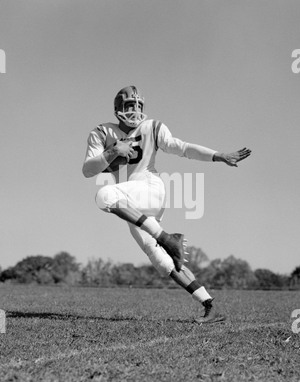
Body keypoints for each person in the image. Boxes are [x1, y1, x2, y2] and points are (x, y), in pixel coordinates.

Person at [82, 85, 251, 324]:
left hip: (150, 189)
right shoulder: (102, 132)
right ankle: (209, 305)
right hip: (129, 201)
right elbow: (88, 170)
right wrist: (112, 151)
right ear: (118, 108)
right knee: (162, 261)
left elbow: (181, 148)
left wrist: (217, 155)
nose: (135, 110)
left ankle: (168, 238)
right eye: (130, 105)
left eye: (139, 105)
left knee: (104, 196)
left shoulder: (152, 127)